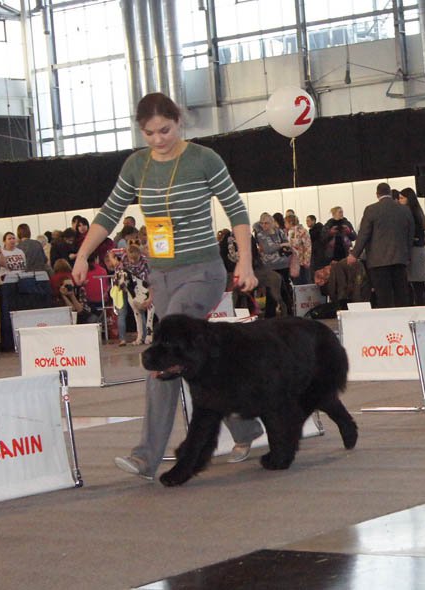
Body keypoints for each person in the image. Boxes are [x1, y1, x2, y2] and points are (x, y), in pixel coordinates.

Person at [72, 91, 263, 480]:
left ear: (179, 122)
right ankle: (246, 426)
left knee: (163, 352)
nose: (159, 139)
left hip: (202, 272)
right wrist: (81, 255)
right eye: (149, 133)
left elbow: (236, 210)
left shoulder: (204, 159)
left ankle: (147, 455)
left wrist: (244, 260)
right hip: (160, 277)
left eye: (165, 130)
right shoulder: (136, 166)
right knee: (195, 362)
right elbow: (109, 212)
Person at [347, 182, 414, 308]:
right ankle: (403, 321)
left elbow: (364, 234)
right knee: (401, 293)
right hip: (400, 258)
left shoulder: (371, 210)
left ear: (377, 194)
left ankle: (387, 323)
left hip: (378, 260)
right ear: (390, 193)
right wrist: (407, 254)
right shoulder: (404, 209)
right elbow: (410, 234)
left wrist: (354, 254)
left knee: (384, 296)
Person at [254, 213, 293, 313]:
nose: (264, 226)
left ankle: (289, 313)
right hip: (270, 267)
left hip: (284, 265)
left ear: (272, 223)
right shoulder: (260, 235)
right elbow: (268, 249)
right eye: (262, 223)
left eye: (266, 223)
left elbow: (288, 244)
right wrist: (281, 245)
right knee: (271, 292)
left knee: (285, 291)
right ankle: (270, 316)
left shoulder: (279, 231)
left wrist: (282, 245)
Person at [398, 187, 425, 305]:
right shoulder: (418, 212)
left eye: (402, 198)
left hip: (414, 248)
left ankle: (419, 304)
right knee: (417, 280)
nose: (399, 201)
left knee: (415, 280)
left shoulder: (410, 213)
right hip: (419, 248)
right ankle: (420, 303)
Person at [284, 213, 312, 285]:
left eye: (286, 222)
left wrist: (306, 261)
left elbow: (308, 246)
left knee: (302, 283)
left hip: (301, 262)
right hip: (292, 262)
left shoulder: (302, 231)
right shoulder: (288, 232)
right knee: (295, 283)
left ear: (290, 222)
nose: (285, 224)